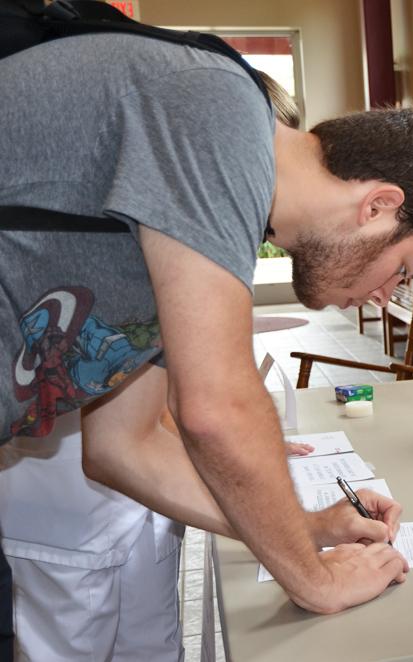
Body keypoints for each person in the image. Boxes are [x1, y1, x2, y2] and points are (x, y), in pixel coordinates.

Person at [0, 28, 413, 635]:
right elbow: (215, 408)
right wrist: (316, 577)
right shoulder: (215, 106)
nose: (386, 293)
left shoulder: (196, 222)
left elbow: (125, 447)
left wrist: (303, 528)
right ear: (378, 205)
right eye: (403, 268)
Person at [0, 69, 311, 662]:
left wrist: (246, 457)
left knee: (151, 642)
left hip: (140, 503)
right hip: (63, 508)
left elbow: (171, 387)